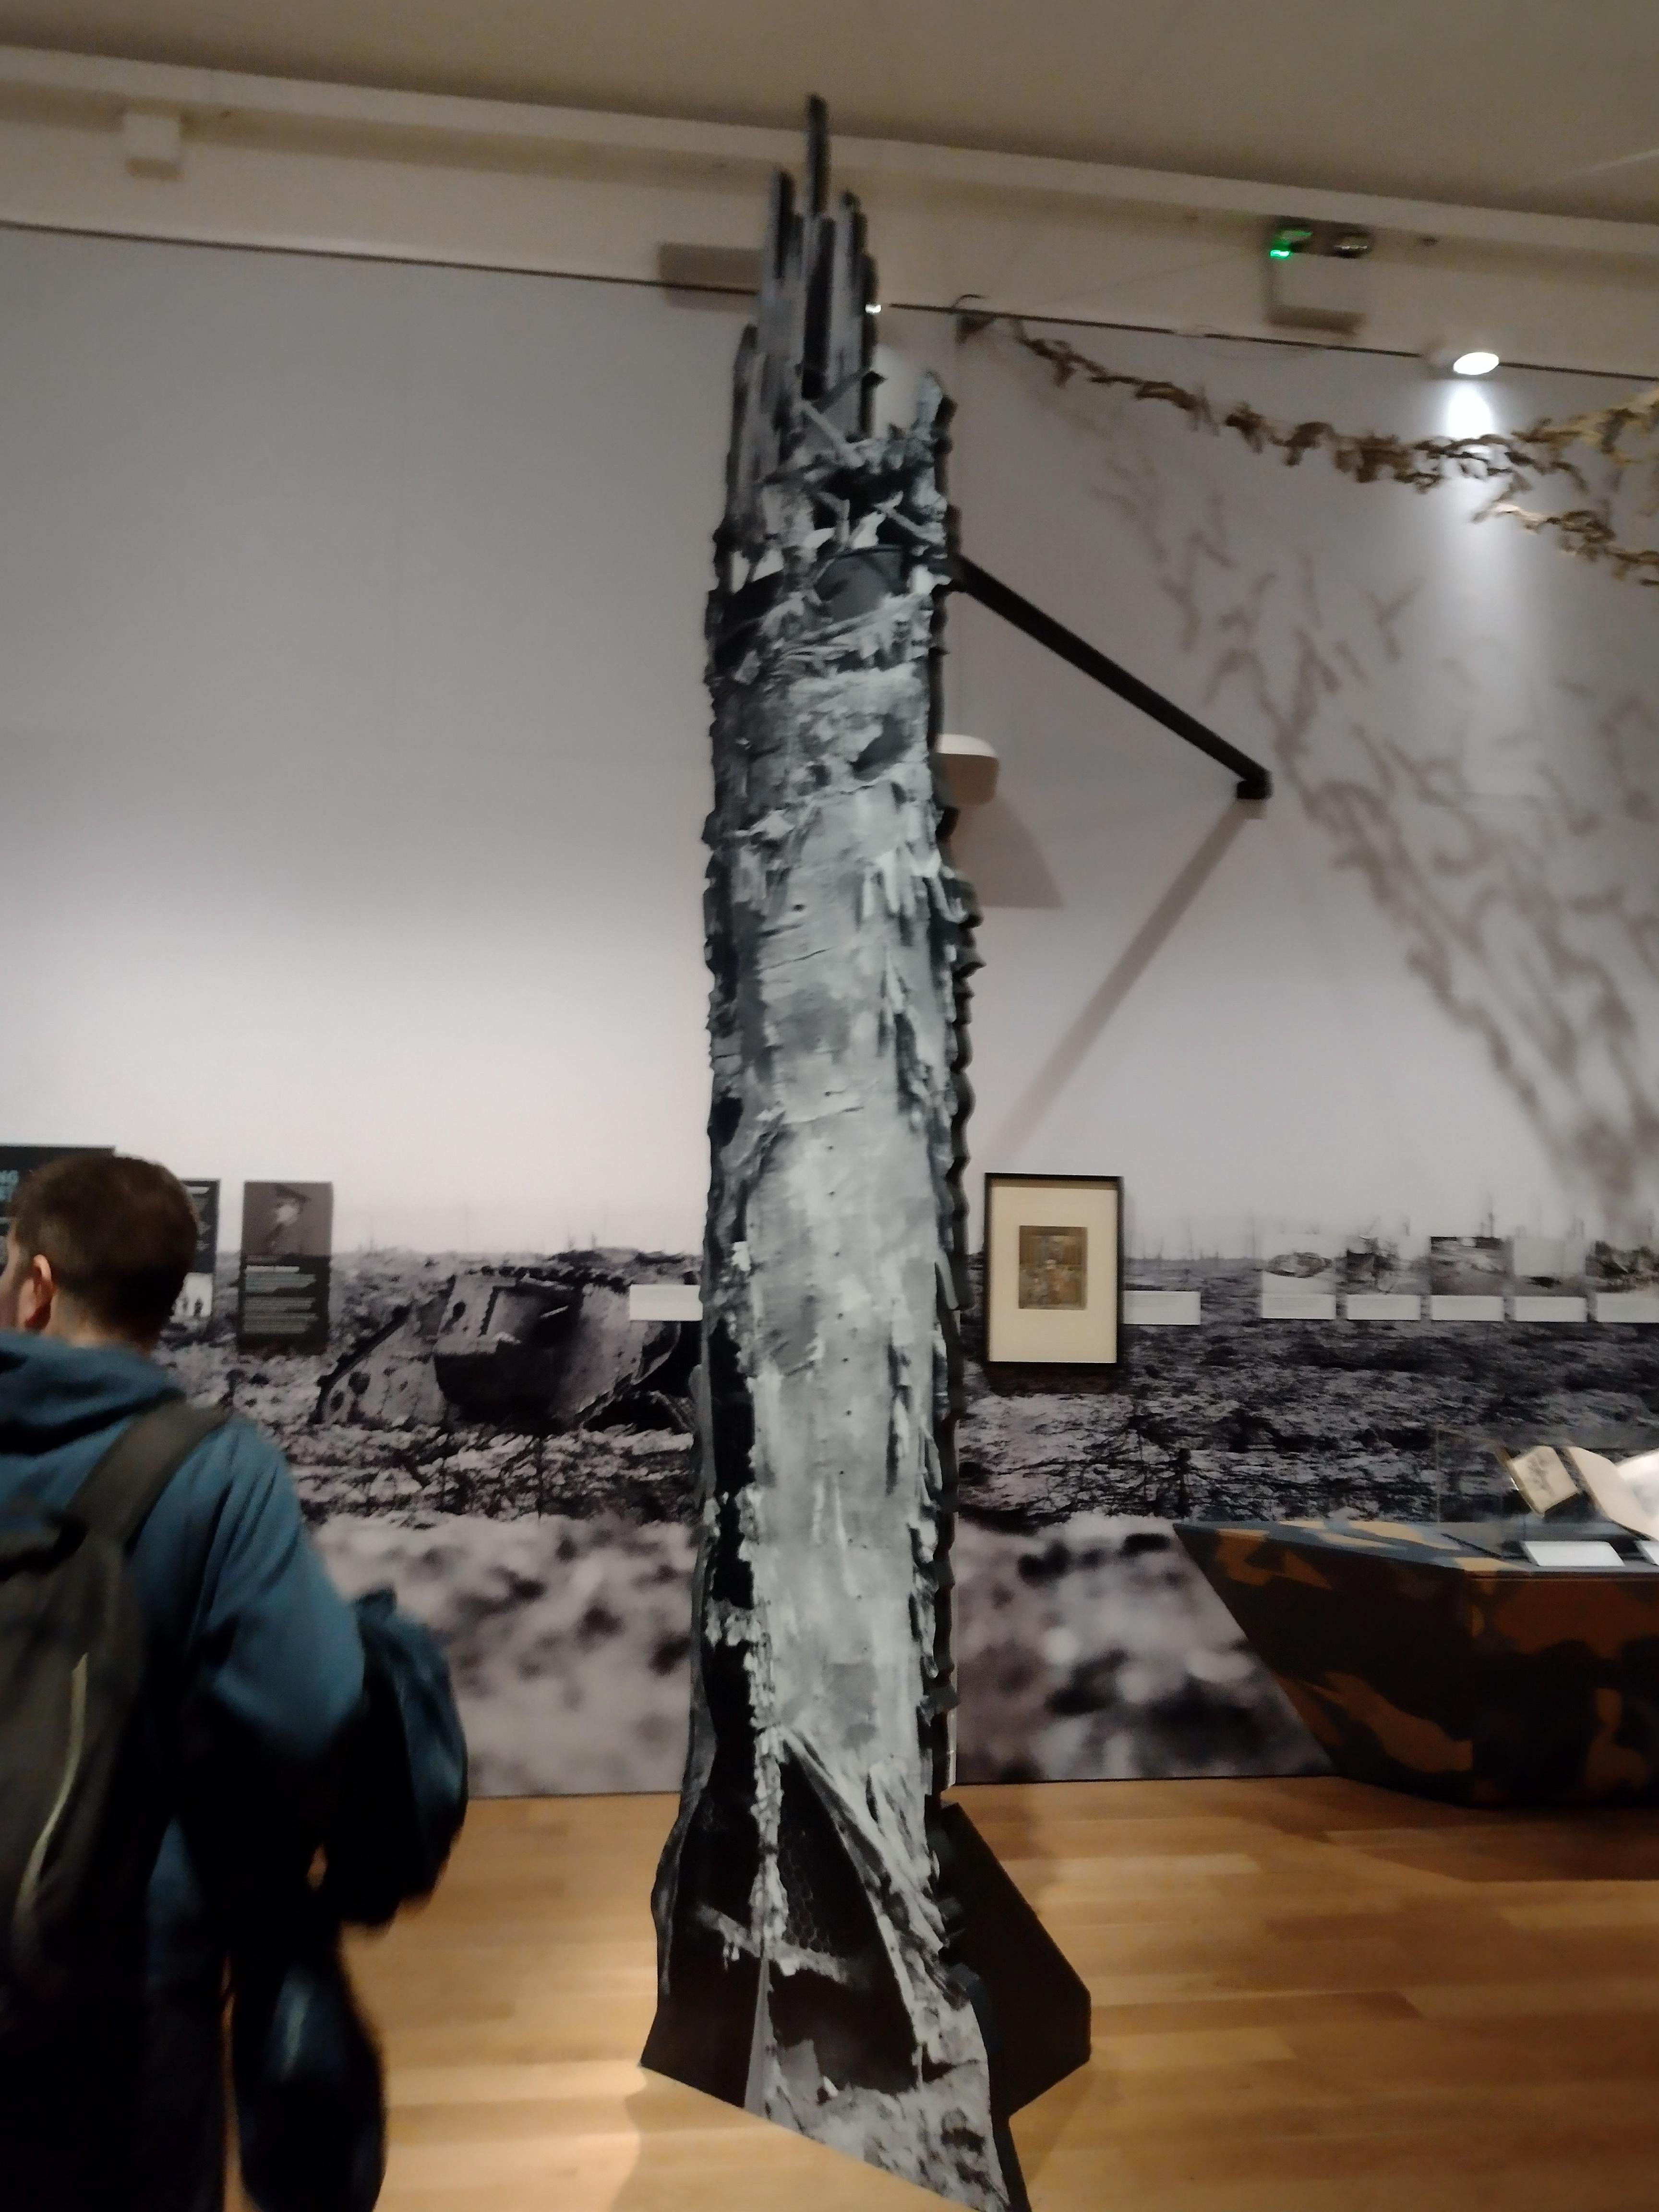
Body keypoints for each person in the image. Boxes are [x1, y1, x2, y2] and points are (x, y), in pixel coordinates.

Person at [0, 1154, 368, 2212]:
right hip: (125, 1972)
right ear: (168, 1300)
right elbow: (310, 1710)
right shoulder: (220, 1469)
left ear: (36, 1284)